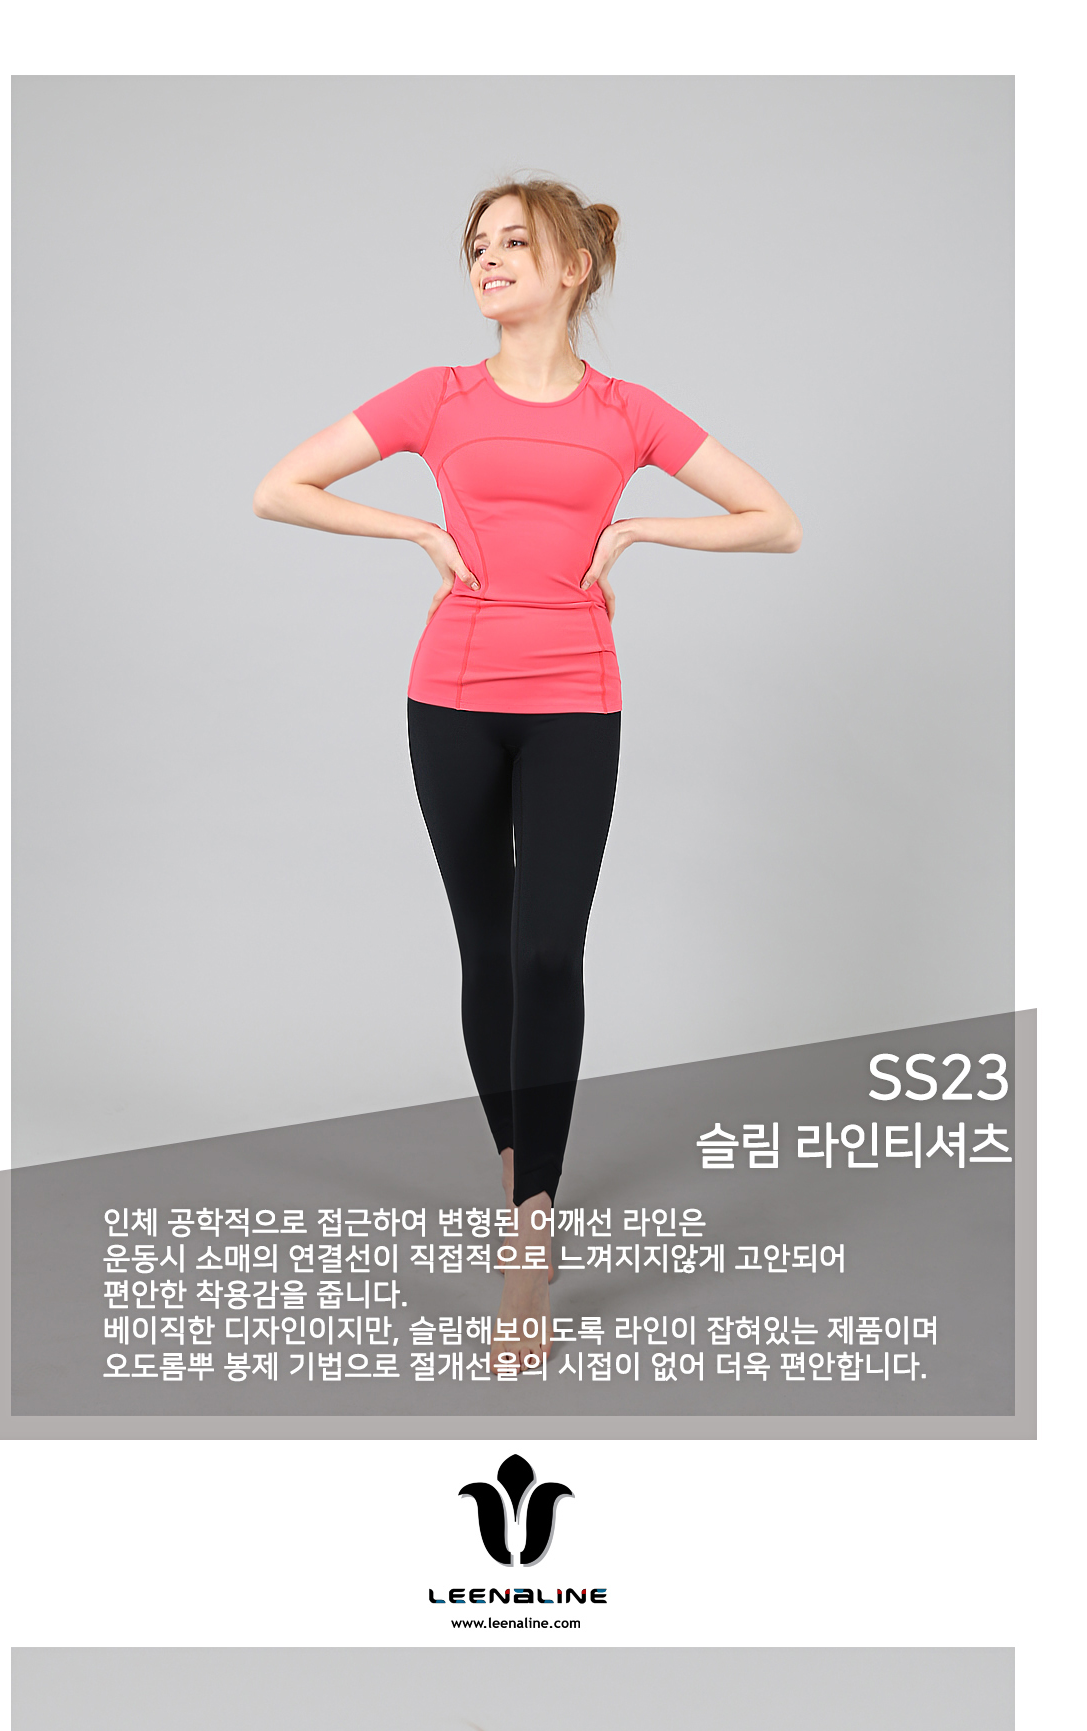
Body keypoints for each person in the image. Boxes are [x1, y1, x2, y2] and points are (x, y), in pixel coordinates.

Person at [254, 175, 800, 1361]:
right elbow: (278, 487)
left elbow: (775, 520)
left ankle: (529, 1233)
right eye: (478, 245)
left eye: (515, 242)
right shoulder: (437, 397)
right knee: (489, 946)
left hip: (575, 701)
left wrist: (642, 528)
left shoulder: (627, 412)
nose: (489, 259)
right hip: (450, 697)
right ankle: (524, 1177)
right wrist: (413, 529)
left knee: (550, 951)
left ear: (574, 269)